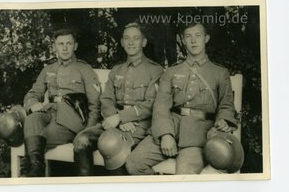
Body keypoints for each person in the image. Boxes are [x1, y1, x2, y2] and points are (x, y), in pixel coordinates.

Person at [125, 22, 238, 175]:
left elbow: (226, 105)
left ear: (206, 38)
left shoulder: (219, 72)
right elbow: (161, 106)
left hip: (199, 137)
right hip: (171, 127)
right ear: (183, 40)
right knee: (133, 163)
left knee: (185, 173)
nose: (193, 41)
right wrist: (165, 135)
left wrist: (223, 121)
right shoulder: (171, 71)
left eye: (198, 36)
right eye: (188, 37)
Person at [73, 22, 164, 176]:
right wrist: (117, 118)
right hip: (112, 122)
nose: (130, 42)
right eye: (127, 38)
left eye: (136, 38)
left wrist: (121, 117)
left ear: (144, 42)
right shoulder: (117, 70)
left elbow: (151, 104)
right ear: (122, 42)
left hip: (138, 126)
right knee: (81, 141)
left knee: (114, 145)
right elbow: (106, 99)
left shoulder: (155, 70)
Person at [22, 28, 101, 177]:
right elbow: (33, 93)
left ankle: (32, 174)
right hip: (49, 112)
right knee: (32, 119)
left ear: (75, 46)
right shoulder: (48, 69)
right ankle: (36, 170)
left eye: (68, 44)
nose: (64, 48)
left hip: (72, 120)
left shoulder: (84, 69)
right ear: (54, 47)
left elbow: (95, 104)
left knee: (40, 136)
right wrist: (32, 104)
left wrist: (88, 131)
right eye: (60, 44)